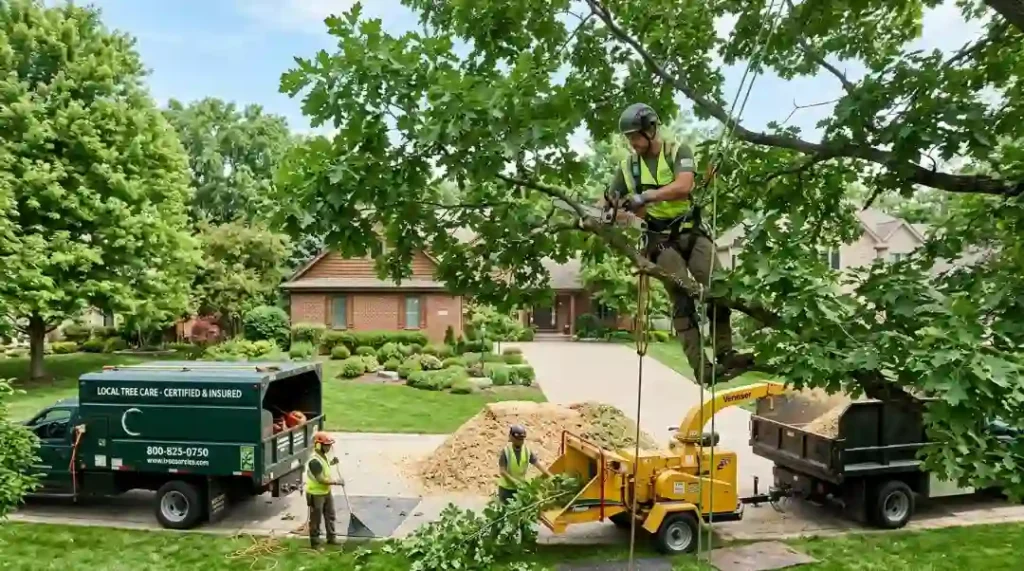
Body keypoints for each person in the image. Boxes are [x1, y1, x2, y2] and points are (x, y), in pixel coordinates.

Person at [607, 102, 753, 384]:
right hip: (660, 240)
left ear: (651, 130)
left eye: (636, 136)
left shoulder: (677, 152)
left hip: (692, 231)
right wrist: (607, 210)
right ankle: (702, 368)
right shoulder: (628, 167)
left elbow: (684, 185)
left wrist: (645, 197)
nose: (633, 143)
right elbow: (609, 198)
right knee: (683, 299)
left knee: (719, 289)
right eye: (629, 138)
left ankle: (725, 353)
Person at [305, 431, 343, 548]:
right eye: (327, 445)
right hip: (316, 494)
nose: (329, 447)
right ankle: (315, 544)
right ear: (318, 445)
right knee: (316, 520)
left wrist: (332, 462)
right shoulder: (314, 461)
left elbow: (324, 467)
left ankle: (331, 538)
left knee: (330, 515)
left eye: (330, 445)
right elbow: (321, 479)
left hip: (326, 492)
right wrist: (337, 482)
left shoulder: (322, 457)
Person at [497, 424, 551, 504]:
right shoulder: (506, 452)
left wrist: (549, 475)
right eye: (518, 439)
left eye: (522, 439)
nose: (520, 441)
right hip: (506, 490)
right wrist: (514, 481)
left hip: (519, 489)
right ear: (511, 438)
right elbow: (502, 471)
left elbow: (538, 465)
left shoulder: (527, 451)